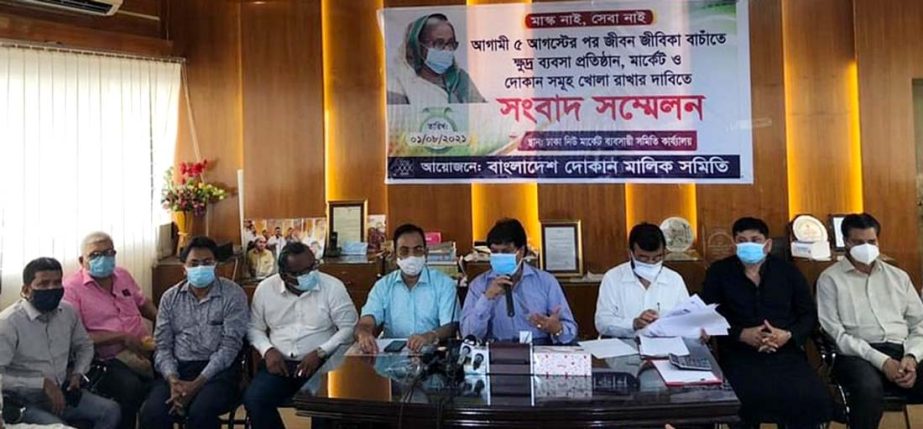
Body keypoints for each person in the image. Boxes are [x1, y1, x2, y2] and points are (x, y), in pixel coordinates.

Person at [702, 217, 832, 428]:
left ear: (768, 244)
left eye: (755, 239)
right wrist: (740, 334)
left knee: (809, 397)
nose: (748, 244)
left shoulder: (788, 272)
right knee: (744, 399)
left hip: (785, 353)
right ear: (734, 244)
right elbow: (708, 314)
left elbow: (808, 315)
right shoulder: (719, 272)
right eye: (742, 240)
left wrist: (787, 335)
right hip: (739, 353)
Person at [817, 213, 923, 429]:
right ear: (846, 242)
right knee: (868, 388)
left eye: (871, 241)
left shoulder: (898, 277)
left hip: (902, 349)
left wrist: (912, 357)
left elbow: (919, 323)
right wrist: (882, 362)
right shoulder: (830, 280)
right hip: (856, 355)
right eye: (858, 242)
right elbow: (836, 334)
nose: (866, 247)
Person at [245, 242, 358, 429]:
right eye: (301, 273)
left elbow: (349, 328)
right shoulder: (265, 289)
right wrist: (268, 351)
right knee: (254, 399)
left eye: (313, 266)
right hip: (279, 364)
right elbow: (254, 328)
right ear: (284, 276)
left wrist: (321, 352)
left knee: (323, 405)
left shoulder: (332, 286)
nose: (311, 274)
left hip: (323, 364)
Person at [140, 236, 249, 429]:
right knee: (152, 412)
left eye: (207, 263)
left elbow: (229, 347)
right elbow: (163, 346)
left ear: (216, 265)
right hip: (178, 369)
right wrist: (173, 380)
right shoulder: (170, 298)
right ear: (184, 268)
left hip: (218, 372)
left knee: (201, 412)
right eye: (194, 263)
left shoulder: (233, 295)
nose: (201, 268)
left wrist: (196, 385)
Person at [0, 257, 121, 428]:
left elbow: (85, 345)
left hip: (63, 391)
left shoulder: (67, 312)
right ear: (26, 290)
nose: (52, 288)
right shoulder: (9, 322)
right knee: (58, 426)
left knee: (111, 410)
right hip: (23, 401)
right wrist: (41, 383)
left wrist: (78, 373)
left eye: (57, 282)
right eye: (43, 284)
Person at [63, 232, 158, 429]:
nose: (103, 259)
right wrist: (121, 337)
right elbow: (76, 338)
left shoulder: (122, 275)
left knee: (173, 373)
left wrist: (164, 323)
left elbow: (143, 303)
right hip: (104, 360)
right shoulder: (72, 289)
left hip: (143, 347)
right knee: (132, 388)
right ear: (82, 260)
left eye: (108, 252)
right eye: (95, 255)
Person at [461, 218, 578, 345]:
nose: (500, 256)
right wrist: (486, 299)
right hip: (495, 353)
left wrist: (557, 329)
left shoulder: (546, 282)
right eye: (494, 252)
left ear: (521, 251)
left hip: (537, 352)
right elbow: (468, 334)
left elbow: (570, 332)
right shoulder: (479, 285)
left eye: (506, 251)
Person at [355, 223, 461, 353]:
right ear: (395, 256)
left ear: (426, 253)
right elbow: (367, 320)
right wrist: (364, 334)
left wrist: (429, 336)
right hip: (392, 358)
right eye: (404, 251)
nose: (412, 256)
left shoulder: (444, 284)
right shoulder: (383, 286)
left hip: (432, 356)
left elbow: (450, 327)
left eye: (417, 250)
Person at [595, 223, 689, 338]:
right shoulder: (613, 278)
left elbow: (686, 320)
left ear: (664, 252)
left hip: (665, 347)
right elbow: (602, 323)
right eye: (643, 258)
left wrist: (697, 331)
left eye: (657, 257)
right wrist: (633, 323)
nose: (651, 263)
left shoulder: (674, 280)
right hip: (624, 347)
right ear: (630, 253)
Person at [387, 13, 485, 105]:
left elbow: (483, 114)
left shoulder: (461, 79)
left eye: (450, 43)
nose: (447, 49)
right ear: (418, 46)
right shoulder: (399, 83)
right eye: (439, 43)